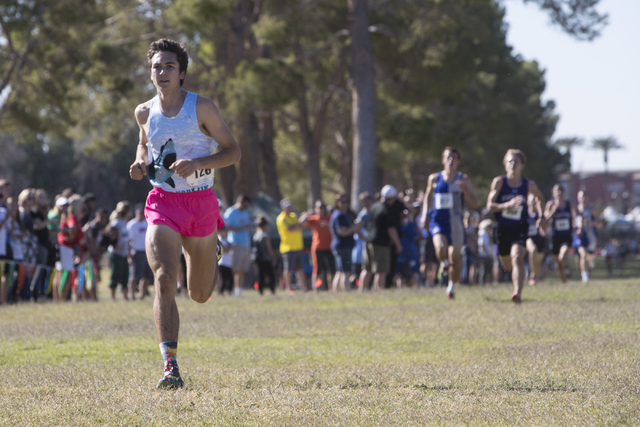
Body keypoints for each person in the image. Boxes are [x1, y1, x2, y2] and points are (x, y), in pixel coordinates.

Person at [129, 39, 241, 389]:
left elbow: (233, 151)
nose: (161, 72)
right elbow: (144, 142)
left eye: (168, 67)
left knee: (200, 294)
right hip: (163, 201)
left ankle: (213, 250)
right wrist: (140, 161)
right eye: (156, 67)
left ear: (181, 74)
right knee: (163, 277)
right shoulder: (144, 112)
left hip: (201, 202)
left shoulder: (202, 108)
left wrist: (198, 163)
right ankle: (170, 366)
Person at [487, 149, 545, 304]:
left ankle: (517, 293)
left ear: (522, 165)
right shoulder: (499, 182)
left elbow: (540, 198)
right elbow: (489, 206)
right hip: (502, 228)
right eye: (510, 161)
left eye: (516, 162)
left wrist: (541, 216)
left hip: (520, 226)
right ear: (505, 165)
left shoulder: (528, 185)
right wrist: (507, 205)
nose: (513, 164)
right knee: (507, 264)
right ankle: (517, 277)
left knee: (518, 257)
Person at [420, 147, 479, 300]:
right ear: (443, 160)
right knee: (440, 248)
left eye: (454, 158)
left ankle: (451, 287)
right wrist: (424, 214)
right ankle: (443, 263)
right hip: (438, 219)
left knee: (456, 257)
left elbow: (474, 203)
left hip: (456, 220)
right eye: (448, 157)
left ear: (458, 161)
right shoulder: (434, 178)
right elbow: (428, 196)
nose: (450, 161)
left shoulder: (463, 179)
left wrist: (465, 190)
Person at [359, 185, 403, 292]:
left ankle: (361, 290)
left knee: (367, 269)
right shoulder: (387, 210)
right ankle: (378, 292)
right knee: (381, 270)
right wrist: (398, 245)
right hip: (381, 243)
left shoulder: (375, 206)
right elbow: (391, 230)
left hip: (369, 241)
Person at [329, 194, 363, 292]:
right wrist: (354, 227)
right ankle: (346, 291)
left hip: (344, 246)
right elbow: (342, 232)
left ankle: (337, 291)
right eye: (342, 202)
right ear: (337, 203)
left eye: (346, 201)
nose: (344, 204)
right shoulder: (339, 215)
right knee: (346, 272)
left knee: (340, 271)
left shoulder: (347, 215)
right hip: (342, 246)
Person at [300, 200, 334, 291]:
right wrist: (308, 213)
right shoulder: (314, 219)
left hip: (330, 247)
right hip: (317, 248)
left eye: (322, 207)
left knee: (331, 269)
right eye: (319, 208)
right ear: (316, 209)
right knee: (317, 269)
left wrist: (328, 225)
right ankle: (316, 288)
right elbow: (301, 222)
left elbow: (336, 228)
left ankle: (331, 288)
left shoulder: (330, 218)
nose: (321, 210)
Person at [544, 184, 575, 283]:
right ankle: (564, 283)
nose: (559, 194)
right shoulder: (550, 205)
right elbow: (545, 221)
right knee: (557, 263)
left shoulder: (569, 204)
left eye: (561, 192)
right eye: (557, 192)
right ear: (553, 194)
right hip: (555, 236)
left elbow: (578, 215)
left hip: (566, 236)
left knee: (563, 256)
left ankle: (566, 267)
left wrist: (578, 227)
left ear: (564, 193)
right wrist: (553, 211)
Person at [223, 195, 253, 297]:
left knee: (242, 269)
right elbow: (226, 228)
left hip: (246, 244)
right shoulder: (230, 212)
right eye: (245, 205)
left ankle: (238, 290)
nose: (246, 208)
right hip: (235, 244)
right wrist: (242, 227)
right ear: (240, 201)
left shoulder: (245, 212)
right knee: (235, 269)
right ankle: (230, 289)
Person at [276, 198, 308, 294]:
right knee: (288, 269)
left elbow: (300, 228)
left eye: (290, 206)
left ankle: (303, 287)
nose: (289, 208)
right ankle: (288, 287)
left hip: (298, 246)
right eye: (287, 207)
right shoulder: (281, 218)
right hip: (287, 247)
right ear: (283, 208)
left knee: (300, 269)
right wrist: (300, 222)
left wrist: (303, 221)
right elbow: (290, 228)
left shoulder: (294, 216)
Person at [573, 190, 602, 283]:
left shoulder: (592, 209)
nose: (583, 199)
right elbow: (572, 223)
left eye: (585, 197)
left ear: (588, 198)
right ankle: (585, 278)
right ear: (578, 198)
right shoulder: (575, 209)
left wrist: (591, 222)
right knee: (583, 255)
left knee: (588, 257)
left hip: (591, 238)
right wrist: (576, 228)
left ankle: (588, 266)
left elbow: (600, 224)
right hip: (580, 237)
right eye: (581, 197)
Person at [127, 204, 153, 299]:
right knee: (134, 276)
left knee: (146, 276)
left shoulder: (147, 223)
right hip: (136, 252)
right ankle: (132, 295)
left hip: (147, 252)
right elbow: (129, 241)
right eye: (139, 213)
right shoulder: (132, 225)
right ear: (135, 213)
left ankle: (142, 294)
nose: (141, 215)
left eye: (142, 213)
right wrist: (129, 256)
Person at [107, 201, 131, 301]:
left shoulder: (125, 222)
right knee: (115, 274)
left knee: (125, 275)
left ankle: (125, 296)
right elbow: (109, 234)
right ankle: (113, 297)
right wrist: (115, 245)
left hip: (124, 253)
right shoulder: (116, 222)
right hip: (115, 253)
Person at [526, 194, 547, 285]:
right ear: (528, 202)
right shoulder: (525, 214)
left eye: (535, 200)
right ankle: (532, 274)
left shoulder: (540, 215)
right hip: (529, 239)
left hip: (540, 240)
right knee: (532, 250)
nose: (533, 202)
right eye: (531, 200)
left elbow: (546, 225)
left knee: (538, 261)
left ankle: (535, 279)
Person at [252, 216, 277, 295]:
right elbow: (269, 248)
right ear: (265, 225)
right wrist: (273, 256)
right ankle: (272, 290)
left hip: (258, 258)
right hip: (266, 258)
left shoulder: (255, 235)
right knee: (271, 275)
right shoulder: (265, 236)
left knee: (260, 275)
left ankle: (261, 290)